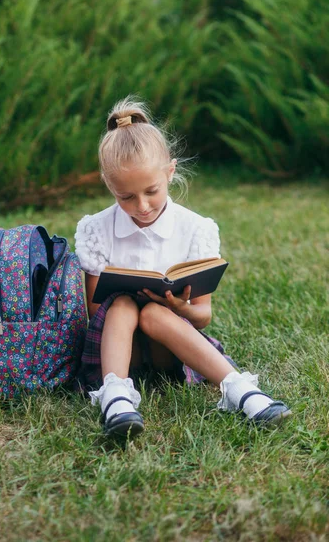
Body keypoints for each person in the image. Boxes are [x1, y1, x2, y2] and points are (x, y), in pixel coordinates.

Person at [74, 98, 291, 438]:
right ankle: (115, 398)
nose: (141, 206)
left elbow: (203, 317)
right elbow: (94, 313)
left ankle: (241, 390)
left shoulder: (195, 229)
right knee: (123, 305)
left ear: (170, 172)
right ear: (108, 184)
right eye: (126, 197)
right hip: (118, 349)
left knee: (154, 315)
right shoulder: (96, 229)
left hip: (170, 350)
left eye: (151, 191)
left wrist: (179, 307)